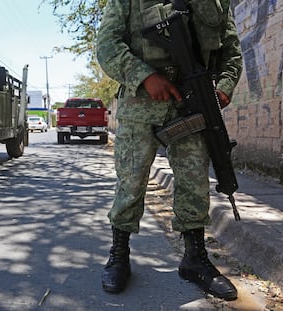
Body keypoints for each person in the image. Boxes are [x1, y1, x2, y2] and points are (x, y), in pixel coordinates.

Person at [96, 0, 243, 300]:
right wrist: (145, 76)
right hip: (141, 104)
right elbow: (107, 45)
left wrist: (225, 86)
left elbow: (231, 49)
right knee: (131, 181)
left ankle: (194, 259)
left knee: (194, 181)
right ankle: (119, 254)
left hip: (194, 99)